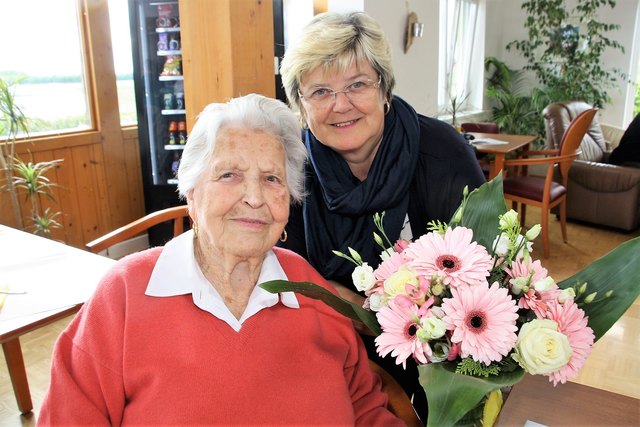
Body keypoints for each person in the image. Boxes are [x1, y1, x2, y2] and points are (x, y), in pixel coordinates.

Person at [38, 94, 403, 426]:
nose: (254, 198)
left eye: (272, 178)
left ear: (288, 200)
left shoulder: (309, 288)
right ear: (192, 194)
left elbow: (366, 406)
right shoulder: (125, 296)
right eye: (230, 175)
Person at [279, 11, 486, 420]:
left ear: (385, 90)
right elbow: (288, 279)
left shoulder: (441, 155)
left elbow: (480, 284)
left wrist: (353, 305)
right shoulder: (290, 166)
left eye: (357, 84)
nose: (341, 105)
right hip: (328, 348)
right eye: (320, 91)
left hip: (434, 360)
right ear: (300, 106)